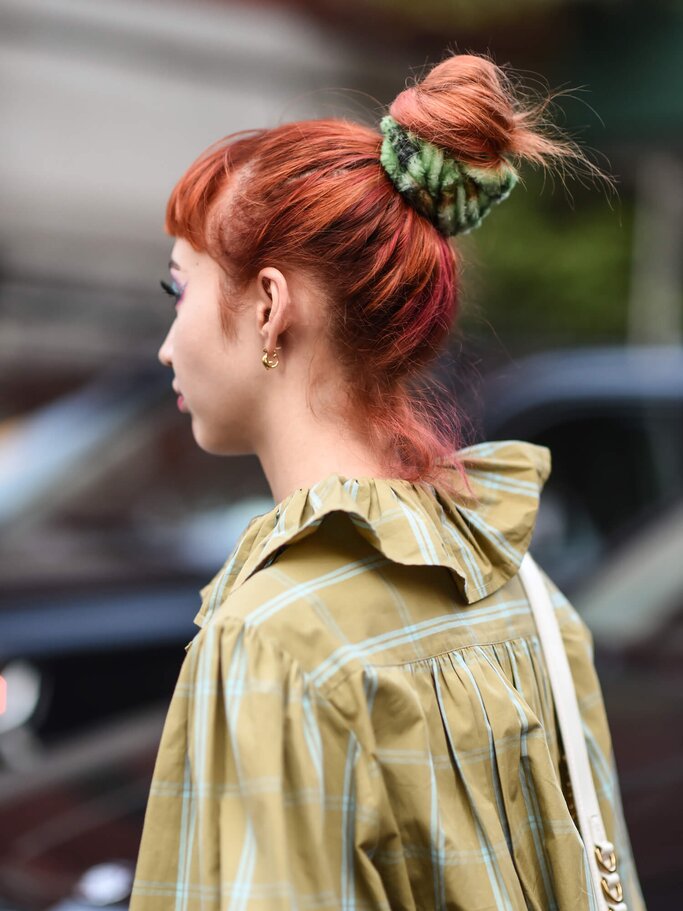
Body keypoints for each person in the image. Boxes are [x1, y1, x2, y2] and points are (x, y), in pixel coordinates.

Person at [130, 52, 646, 910]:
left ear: (268, 304)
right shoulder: (527, 593)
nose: (165, 343)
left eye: (176, 289)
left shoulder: (279, 636)